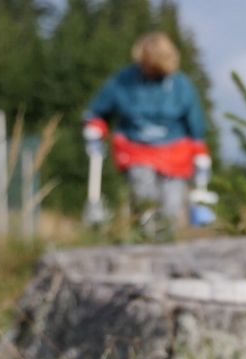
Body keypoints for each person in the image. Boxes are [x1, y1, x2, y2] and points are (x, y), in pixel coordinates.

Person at [82, 32, 211, 229]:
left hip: (175, 154)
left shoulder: (181, 86)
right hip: (137, 150)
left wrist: (200, 154)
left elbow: (196, 127)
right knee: (144, 195)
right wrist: (95, 127)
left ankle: (168, 238)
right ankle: (146, 234)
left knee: (173, 203)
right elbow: (98, 111)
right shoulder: (124, 82)